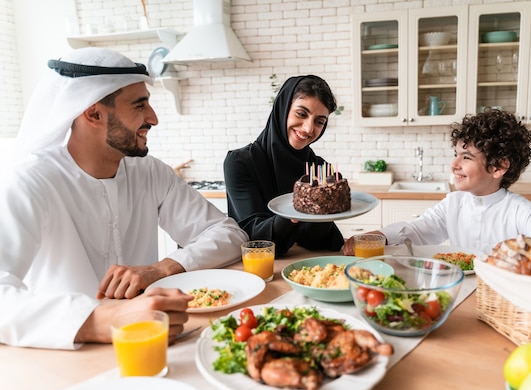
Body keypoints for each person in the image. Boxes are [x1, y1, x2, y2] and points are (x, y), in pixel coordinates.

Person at [0, 47, 249, 349]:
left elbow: (230, 235)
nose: (153, 118)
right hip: (66, 355)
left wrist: (162, 268)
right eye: (139, 105)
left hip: (151, 339)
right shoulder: (31, 181)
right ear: (94, 113)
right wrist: (101, 321)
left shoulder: (149, 171)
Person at [343, 109, 531, 256]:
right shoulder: (455, 202)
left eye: (466, 157)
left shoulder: (521, 211)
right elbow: (418, 230)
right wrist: (377, 237)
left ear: (499, 167)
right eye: (456, 154)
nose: (454, 165)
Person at [224, 75, 344, 255]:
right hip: (258, 271)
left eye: (319, 121)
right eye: (301, 114)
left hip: (310, 267)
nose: (308, 129)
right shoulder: (240, 163)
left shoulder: (318, 169)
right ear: (282, 108)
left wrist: (327, 206)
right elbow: (252, 236)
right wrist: (297, 212)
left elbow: (318, 241)